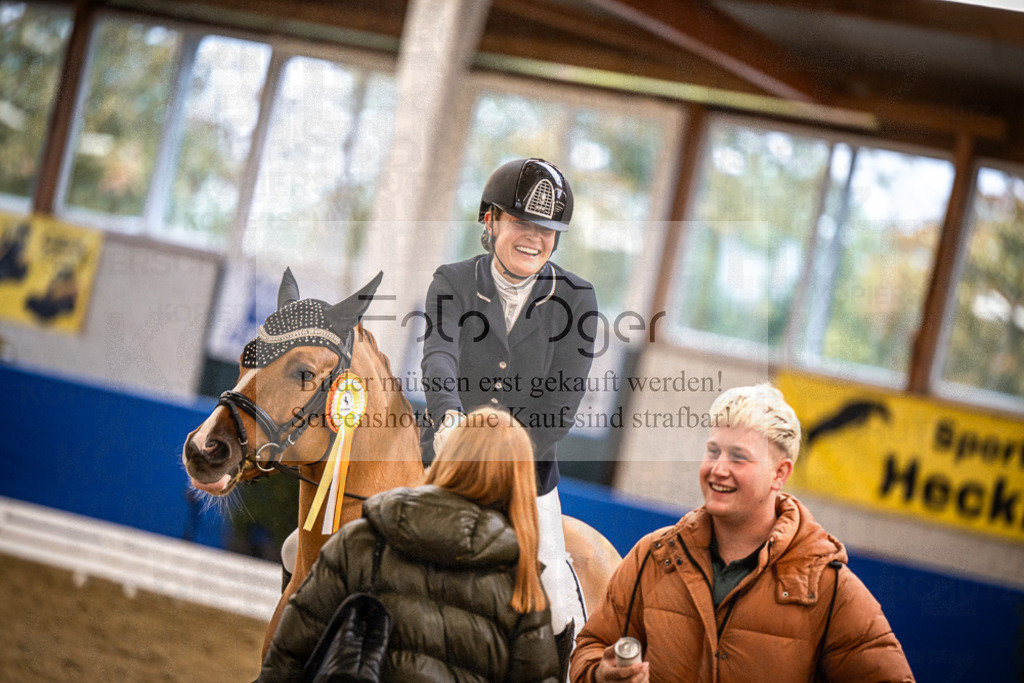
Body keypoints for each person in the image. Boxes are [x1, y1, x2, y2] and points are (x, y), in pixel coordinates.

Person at [570, 383, 915, 683]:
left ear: (779, 474)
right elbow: (590, 647)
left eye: (738, 457)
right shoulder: (654, 556)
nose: (719, 469)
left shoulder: (828, 588)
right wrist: (600, 674)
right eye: (713, 451)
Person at [420, 158, 598, 645]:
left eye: (547, 229)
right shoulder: (453, 281)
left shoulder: (577, 298)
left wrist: (500, 457)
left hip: (528, 475)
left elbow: (561, 404)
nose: (534, 237)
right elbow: (439, 354)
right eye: (521, 221)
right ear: (491, 220)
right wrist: (449, 418)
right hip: (444, 457)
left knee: (557, 602)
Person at [258, 406, 559, 682]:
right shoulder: (524, 585)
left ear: (447, 456)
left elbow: (290, 651)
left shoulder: (362, 538)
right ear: (520, 478)